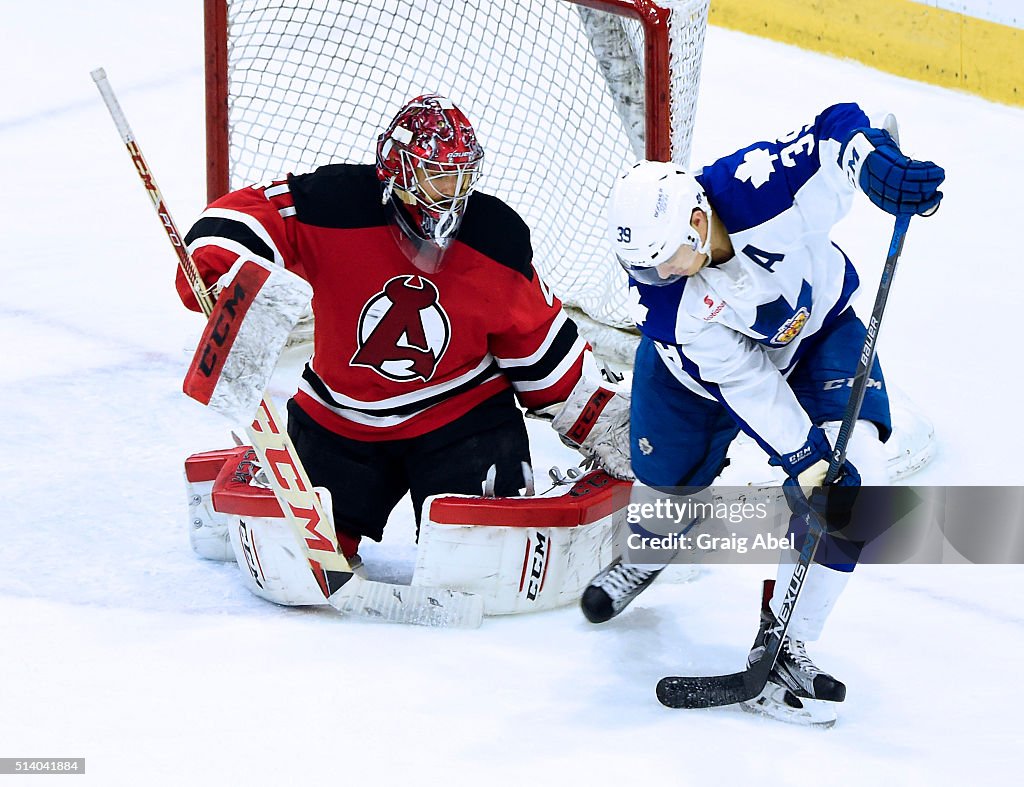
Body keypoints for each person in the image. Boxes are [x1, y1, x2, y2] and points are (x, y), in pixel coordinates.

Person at [581, 102, 944, 724]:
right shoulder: (673, 308)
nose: (655, 276)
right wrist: (802, 458)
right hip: (689, 383)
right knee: (667, 489)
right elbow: (747, 381)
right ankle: (650, 552)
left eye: (663, 258)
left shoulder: (760, 188)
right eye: (643, 265)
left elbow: (836, 132)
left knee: (855, 486)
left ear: (698, 220)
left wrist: (877, 165)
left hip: (819, 336)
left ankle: (784, 641)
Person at [176, 94, 631, 566]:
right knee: (297, 558)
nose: (452, 190)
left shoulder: (494, 237)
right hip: (339, 418)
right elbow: (245, 216)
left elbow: (537, 343)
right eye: (437, 176)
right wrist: (217, 271)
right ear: (398, 171)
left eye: (461, 175)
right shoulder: (334, 203)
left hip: (462, 420)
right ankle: (267, 488)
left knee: (479, 559)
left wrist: (606, 420)